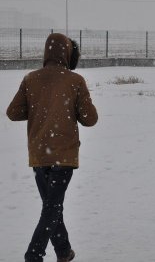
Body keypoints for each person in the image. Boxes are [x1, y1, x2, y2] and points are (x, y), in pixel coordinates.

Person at [7, 33, 98, 262]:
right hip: (64, 155)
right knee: (52, 207)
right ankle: (34, 254)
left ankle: (63, 251)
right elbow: (90, 119)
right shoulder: (75, 81)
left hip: (39, 155)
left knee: (51, 206)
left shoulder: (31, 79)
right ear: (67, 54)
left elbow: (13, 112)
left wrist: (38, 108)